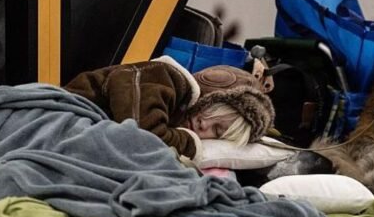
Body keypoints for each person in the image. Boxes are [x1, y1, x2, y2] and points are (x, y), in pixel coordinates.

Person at [63, 56, 275, 160]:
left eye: (217, 131)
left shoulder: (176, 114)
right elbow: (142, 136)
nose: (204, 125)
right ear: (210, 97)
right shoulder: (165, 77)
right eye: (213, 112)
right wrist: (190, 144)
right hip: (61, 112)